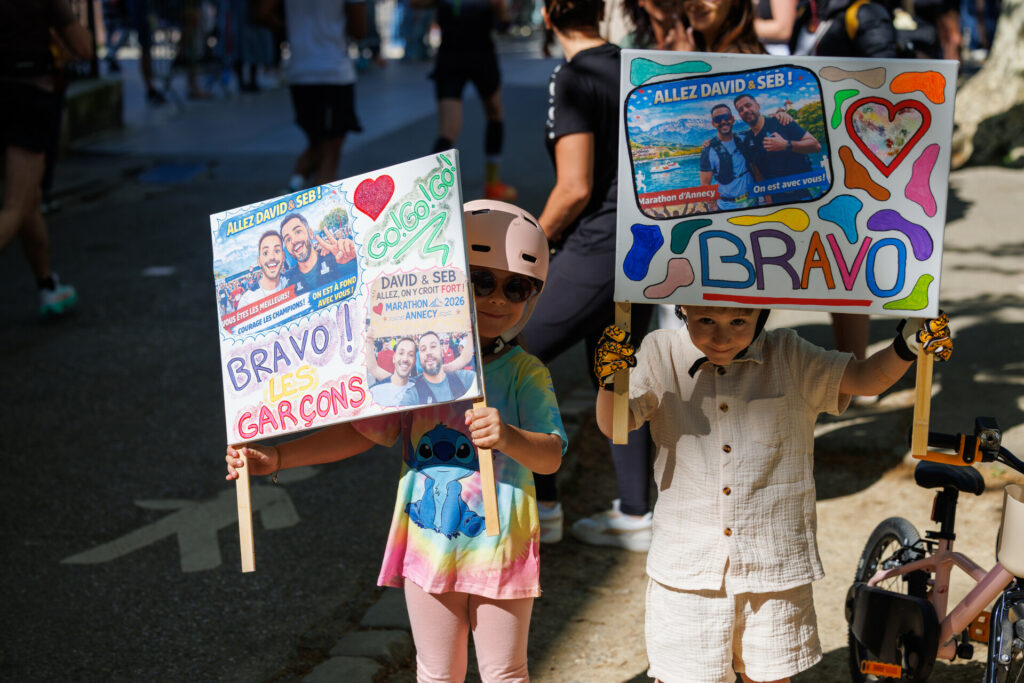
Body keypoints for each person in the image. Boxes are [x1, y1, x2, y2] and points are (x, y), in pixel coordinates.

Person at [226, 200, 566, 681]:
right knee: (435, 672)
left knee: (506, 672)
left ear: (532, 296)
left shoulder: (525, 372)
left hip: (502, 544)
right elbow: (364, 430)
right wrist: (278, 456)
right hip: (429, 543)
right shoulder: (414, 365)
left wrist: (509, 437)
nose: (497, 299)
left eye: (517, 288)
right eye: (481, 280)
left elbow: (551, 456)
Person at [592, 308, 952, 683]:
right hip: (687, 570)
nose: (721, 337)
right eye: (706, 322)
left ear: (762, 314)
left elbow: (863, 378)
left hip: (773, 570)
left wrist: (906, 345)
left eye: (738, 323)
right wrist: (608, 381)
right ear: (683, 308)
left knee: (771, 677)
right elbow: (617, 424)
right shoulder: (659, 351)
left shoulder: (790, 354)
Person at [521, 0, 656, 550]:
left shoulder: (572, 77)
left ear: (549, 16)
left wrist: (528, 246)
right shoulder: (629, 64)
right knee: (616, 373)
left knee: (511, 354)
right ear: (601, 12)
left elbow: (574, 187)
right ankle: (635, 512)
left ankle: (544, 507)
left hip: (597, 245)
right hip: (640, 246)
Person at [0, 0, 92, 317]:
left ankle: (47, 285)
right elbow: (84, 48)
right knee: (14, 206)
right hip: (28, 96)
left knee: (28, 200)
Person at [258, 0, 367, 192]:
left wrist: (289, 31)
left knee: (316, 145)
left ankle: (294, 185)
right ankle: (315, 214)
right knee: (330, 155)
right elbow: (360, 29)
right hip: (333, 71)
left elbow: (262, 11)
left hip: (300, 72)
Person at [415, 0, 519, 201]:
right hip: (459, 56)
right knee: (451, 128)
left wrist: (500, 11)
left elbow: (503, 21)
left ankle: (491, 183)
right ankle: (428, 194)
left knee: (492, 114)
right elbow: (415, 3)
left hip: (472, 55)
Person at [733, 93, 821, 204]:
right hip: (777, 197)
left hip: (804, 191)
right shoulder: (747, 139)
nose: (745, 110)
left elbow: (816, 146)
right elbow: (757, 171)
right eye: (740, 109)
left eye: (748, 105)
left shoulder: (781, 122)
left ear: (758, 106)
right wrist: (767, 196)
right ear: (740, 115)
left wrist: (786, 145)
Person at [279, 212, 357, 294]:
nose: (293, 241)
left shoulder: (337, 258)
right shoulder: (289, 284)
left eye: (298, 232)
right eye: (288, 239)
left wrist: (354, 255)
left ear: (310, 233)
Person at [699, 104, 756, 211]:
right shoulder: (708, 150)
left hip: (753, 202)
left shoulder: (745, 139)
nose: (723, 122)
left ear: (733, 119)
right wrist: (714, 207)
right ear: (713, 123)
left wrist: (781, 114)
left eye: (727, 117)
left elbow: (760, 126)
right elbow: (705, 184)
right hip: (726, 207)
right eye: (718, 119)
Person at [402, 331, 479, 405]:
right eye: (423, 349)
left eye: (433, 346)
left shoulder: (464, 378)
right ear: (419, 356)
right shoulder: (413, 394)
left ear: (441, 352)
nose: (428, 352)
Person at [236, 231, 290, 308]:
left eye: (277, 251)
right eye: (265, 253)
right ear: (259, 261)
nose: (272, 257)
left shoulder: (293, 281)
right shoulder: (247, 301)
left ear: (283, 257)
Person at [367, 336, 418, 406]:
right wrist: (369, 342)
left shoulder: (419, 388)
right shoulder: (374, 392)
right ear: (394, 358)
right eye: (401, 353)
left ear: (415, 361)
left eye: (410, 355)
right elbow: (373, 368)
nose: (405, 358)